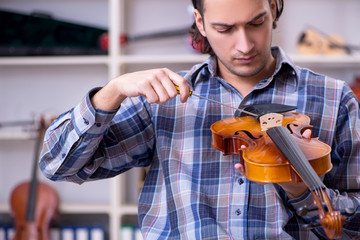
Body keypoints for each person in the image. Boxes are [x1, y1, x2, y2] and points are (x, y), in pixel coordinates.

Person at [39, 0, 360, 239]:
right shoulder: (164, 100)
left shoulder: (334, 97)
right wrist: (111, 92)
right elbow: (57, 164)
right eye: (225, 29)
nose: (244, 45)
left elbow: (354, 228)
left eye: (256, 22)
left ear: (274, 8)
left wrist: (301, 191)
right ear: (201, 22)